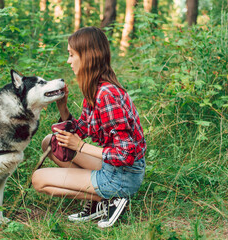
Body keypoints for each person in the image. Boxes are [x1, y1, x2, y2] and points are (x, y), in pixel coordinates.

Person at [31, 26, 146, 228]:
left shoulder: (107, 95)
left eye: (71, 55)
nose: (68, 61)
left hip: (124, 175)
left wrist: (81, 147)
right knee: (50, 142)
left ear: (87, 57)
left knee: (39, 180)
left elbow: (125, 154)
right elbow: (78, 132)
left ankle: (113, 198)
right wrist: (63, 107)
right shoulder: (95, 90)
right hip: (115, 167)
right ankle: (98, 202)